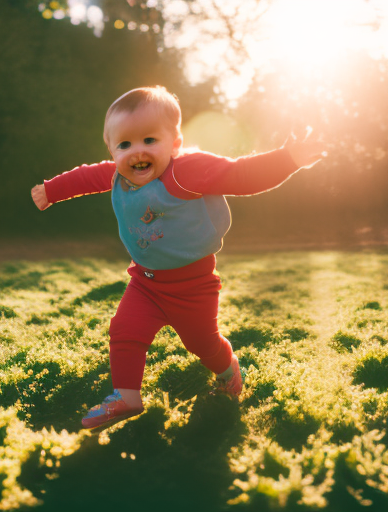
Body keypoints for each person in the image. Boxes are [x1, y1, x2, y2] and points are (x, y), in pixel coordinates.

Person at [31, 86, 325, 431]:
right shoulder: (117, 177)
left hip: (194, 287)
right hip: (146, 282)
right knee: (124, 331)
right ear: (112, 150)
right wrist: (52, 190)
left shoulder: (186, 172)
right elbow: (85, 176)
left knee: (202, 344)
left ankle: (227, 366)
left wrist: (287, 158)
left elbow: (242, 175)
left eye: (149, 140)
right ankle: (126, 397)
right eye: (124, 145)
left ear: (175, 143)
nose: (136, 152)